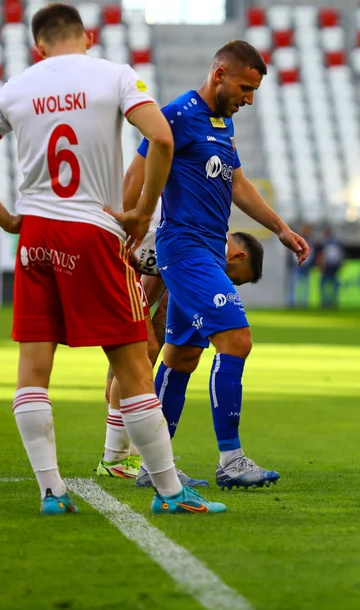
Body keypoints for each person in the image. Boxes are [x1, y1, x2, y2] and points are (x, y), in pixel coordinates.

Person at [0, 1, 224, 514]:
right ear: (87, 36)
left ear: (39, 46)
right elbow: (160, 137)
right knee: (134, 367)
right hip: (92, 232)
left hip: (35, 238)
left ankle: (51, 491)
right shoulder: (113, 76)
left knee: (32, 371)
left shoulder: (15, 88)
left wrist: (7, 219)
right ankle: (168, 492)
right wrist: (140, 212)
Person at [138, 40, 310, 491]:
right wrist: (129, 226)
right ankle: (231, 460)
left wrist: (279, 228)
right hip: (186, 249)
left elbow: (238, 184)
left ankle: (153, 465)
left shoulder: (220, 125)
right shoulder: (175, 116)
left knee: (181, 356)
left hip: (209, 249)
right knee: (236, 339)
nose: (248, 99)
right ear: (219, 73)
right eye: (245, 87)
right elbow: (138, 171)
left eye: (254, 91)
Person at [96, 202, 265, 482]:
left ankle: (131, 458)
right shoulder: (194, 239)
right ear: (236, 256)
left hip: (126, 260)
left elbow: (155, 294)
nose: (227, 283)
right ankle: (117, 456)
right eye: (233, 278)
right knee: (142, 351)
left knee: (153, 350)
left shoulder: (190, 237)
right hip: (110, 260)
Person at [290, 223, 316, 307]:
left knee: (305, 287)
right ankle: (292, 304)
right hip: (297, 266)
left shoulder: (310, 241)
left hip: (306, 267)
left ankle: (304, 304)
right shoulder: (296, 240)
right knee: (294, 286)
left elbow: (312, 254)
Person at [317, 227, 344, 308]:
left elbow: (321, 255)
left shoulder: (324, 242)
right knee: (333, 286)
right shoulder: (336, 242)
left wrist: (320, 265)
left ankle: (325, 302)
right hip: (333, 266)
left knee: (324, 286)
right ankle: (333, 301)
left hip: (327, 267)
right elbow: (341, 255)